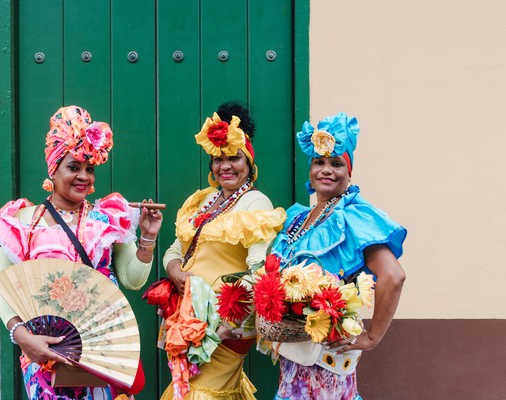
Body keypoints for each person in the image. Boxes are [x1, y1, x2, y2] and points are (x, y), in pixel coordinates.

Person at [0, 105, 163, 400]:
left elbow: (132, 280)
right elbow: (1, 287)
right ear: (53, 168)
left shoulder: (108, 219)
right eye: (74, 167)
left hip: (101, 353)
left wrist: (147, 236)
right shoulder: (22, 222)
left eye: (90, 168)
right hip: (44, 354)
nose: (84, 177)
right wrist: (22, 337)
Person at [269, 113, 407, 400]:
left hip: (327, 367)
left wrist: (371, 337)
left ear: (349, 171)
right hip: (293, 364)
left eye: (336, 163)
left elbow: (394, 276)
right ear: (310, 170)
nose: (326, 170)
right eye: (319, 162)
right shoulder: (299, 220)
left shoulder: (353, 217)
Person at [160, 102, 287, 399]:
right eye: (218, 159)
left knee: (199, 393)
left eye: (234, 157)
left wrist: (230, 325)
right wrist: (175, 270)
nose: (225, 165)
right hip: (189, 320)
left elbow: (258, 270)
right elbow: (175, 249)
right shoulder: (203, 200)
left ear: (249, 163)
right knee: (190, 390)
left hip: (223, 327)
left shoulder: (255, 204)